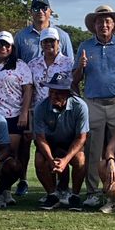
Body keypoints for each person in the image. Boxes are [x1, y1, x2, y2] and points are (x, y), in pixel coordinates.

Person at [74, 5, 115, 207]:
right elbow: (75, 80)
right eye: (100, 21)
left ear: (113, 25)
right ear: (94, 25)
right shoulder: (85, 46)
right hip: (93, 102)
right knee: (93, 150)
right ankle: (93, 191)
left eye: (107, 21)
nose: (104, 25)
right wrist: (81, 67)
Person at [0, 32, 33, 194]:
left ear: (12, 48)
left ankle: (6, 188)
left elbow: (27, 90)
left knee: (11, 154)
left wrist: (24, 112)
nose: (3, 48)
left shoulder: (20, 66)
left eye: (7, 45)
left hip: (13, 116)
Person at [33, 71, 90, 209]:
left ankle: (75, 196)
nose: (53, 96)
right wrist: (51, 160)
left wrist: (65, 160)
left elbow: (81, 137)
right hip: (50, 143)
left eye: (57, 93)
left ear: (67, 93)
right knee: (40, 160)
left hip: (71, 142)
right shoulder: (40, 107)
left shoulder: (80, 106)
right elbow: (40, 138)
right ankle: (52, 195)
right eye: (51, 92)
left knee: (80, 159)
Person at [15, 0, 75, 67]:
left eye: (44, 8)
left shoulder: (63, 36)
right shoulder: (20, 37)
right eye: (36, 8)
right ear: (31, 12)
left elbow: (70, 65)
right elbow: (15, 64)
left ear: (50, 11)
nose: (40, 11)